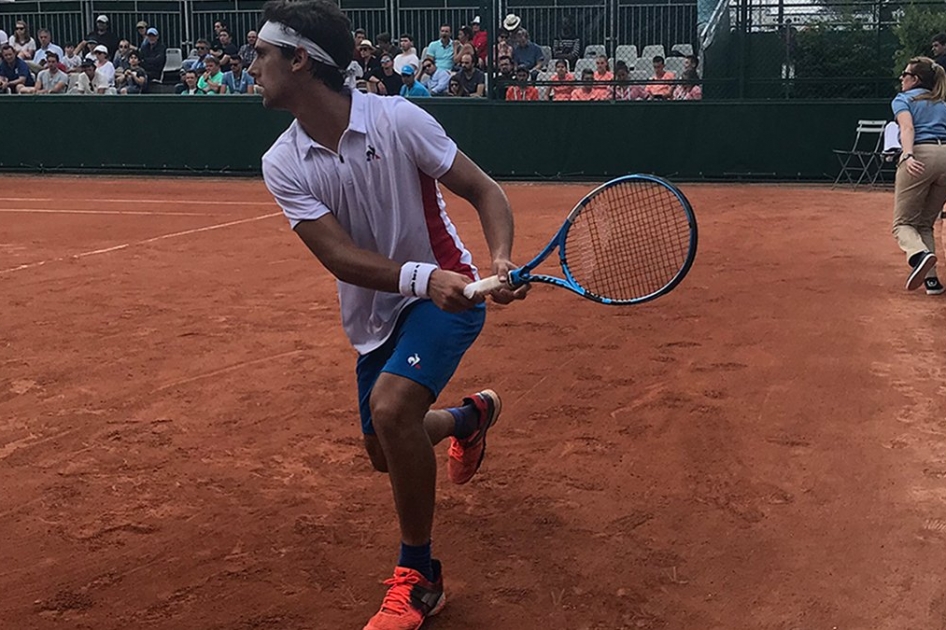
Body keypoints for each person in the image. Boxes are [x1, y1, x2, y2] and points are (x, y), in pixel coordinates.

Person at [248, 4, 528, 630]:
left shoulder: (398, 119)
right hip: (390, 304)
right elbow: (339, 256)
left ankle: (420, 578)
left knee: (393, 410)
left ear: (300, 59)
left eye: (262, 53)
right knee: (386, 449)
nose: (253, 67)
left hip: (446, 298)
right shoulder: (282, 161)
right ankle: (469, 417)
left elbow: (484, 190)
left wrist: (501, 260)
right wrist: (421, 279)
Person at [891, 57, 946, 295]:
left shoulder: (903, 99)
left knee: (903, 224)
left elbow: (907, 128)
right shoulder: (942, 101)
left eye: (905, 75)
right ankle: (931, 282)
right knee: (925, 223)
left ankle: (918, 255)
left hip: (921, 154)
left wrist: (908, 155)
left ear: (915, 80)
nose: (901, 79)